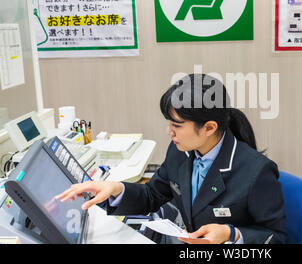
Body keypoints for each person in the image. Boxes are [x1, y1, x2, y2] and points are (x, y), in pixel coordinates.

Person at [56, 74, 286, 244]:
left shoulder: (256, 172)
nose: (169, 131)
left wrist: (232, 234)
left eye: (176, 125)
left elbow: (277, 238)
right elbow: (153, 195)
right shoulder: (180, 150)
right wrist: (116, 188)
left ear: (209, 127)